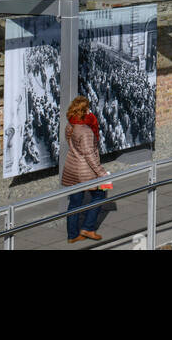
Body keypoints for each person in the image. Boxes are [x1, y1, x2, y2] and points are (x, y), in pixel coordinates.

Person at [61, 96, 111, 243]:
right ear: (84, 110)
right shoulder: (86, 131)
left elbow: (70, 143)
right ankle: (88, 228)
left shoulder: (71, 125)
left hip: (72, 167)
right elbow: (89, 155)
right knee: (99, 195)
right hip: (85, 171)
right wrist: (101, 173)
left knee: (75, 202)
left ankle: (72, 235)